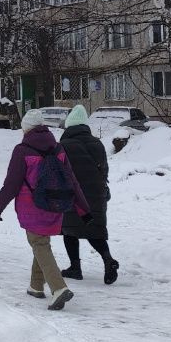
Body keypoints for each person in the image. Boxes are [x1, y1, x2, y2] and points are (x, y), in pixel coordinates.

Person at [0, 109, 91, 310]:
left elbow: (12, 183)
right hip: (57, 205)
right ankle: (36, 286)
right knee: (41, 242)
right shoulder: (58, 148)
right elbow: (72, 181)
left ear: (26, 128)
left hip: (33, 206)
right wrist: (84, 209)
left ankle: (58, 288)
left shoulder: (22, 150)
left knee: (38, 243)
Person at [58, 105, 120, 284]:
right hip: (96, 193)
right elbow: (104, 170)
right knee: (95, 230)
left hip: (73, 195)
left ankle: (75, 267)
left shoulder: (64, 145)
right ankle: (108, 259)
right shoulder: (97, 143)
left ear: (69, 126)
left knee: (70, 230)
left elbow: (60, 172)